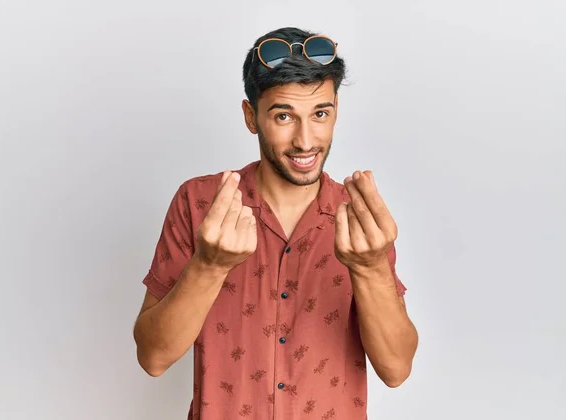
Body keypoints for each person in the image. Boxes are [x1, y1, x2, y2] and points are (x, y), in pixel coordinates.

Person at [133, 26, 418, 420]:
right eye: (284, 115)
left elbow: (397, 369)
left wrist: (370, 268)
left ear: (336, 110)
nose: (305, 140)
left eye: (320, 114)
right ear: (251, 117)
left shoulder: (359, 218)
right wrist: (209, 265)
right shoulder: (199, 203)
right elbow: (153, 357)